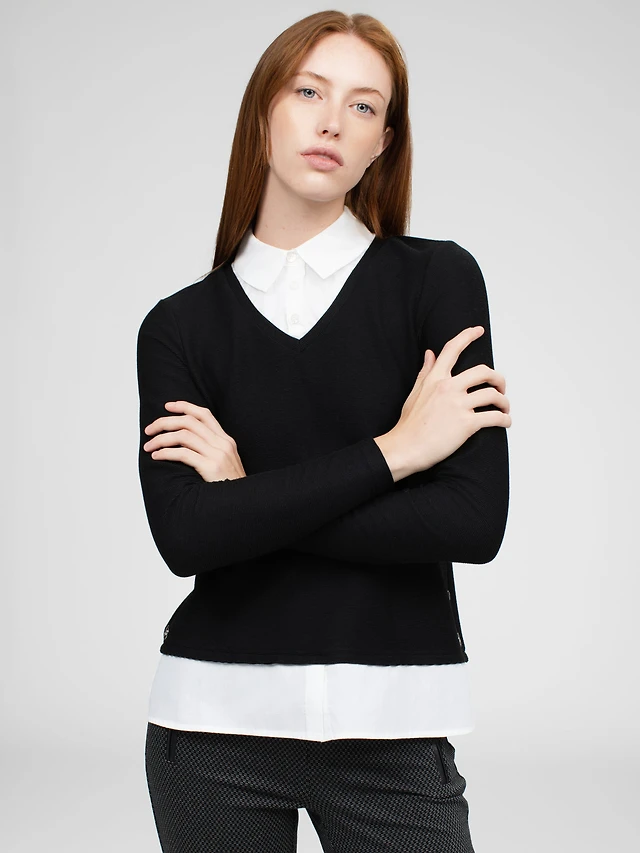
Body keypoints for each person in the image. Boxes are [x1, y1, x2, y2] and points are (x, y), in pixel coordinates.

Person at [137, 10, 511, 853]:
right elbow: (186, 536)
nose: (333, 121)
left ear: (383, 142)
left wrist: (247, 501)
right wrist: (397, 452)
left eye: (364, 105)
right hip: (210, 727)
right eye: (309, 92)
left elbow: (471, 521)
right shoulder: (178, 328)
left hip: (393, 728)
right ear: (264, 110)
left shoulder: (439, 281)